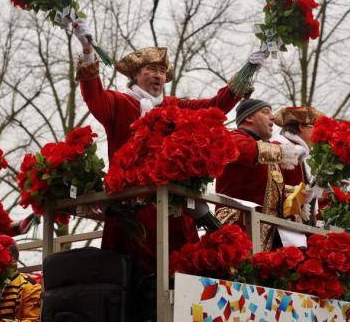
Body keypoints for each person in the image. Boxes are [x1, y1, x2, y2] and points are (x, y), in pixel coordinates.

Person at [72, 20, 267, 272]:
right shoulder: (119, 103)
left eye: (162, 71)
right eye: (151, 69)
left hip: (173, 208)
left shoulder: (176, 106)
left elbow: (216, 105)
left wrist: (249, 68)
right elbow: (93, 95)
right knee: (130, 275)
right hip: (130, 205)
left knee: (180, 273)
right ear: (134, 74)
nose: (158, 75)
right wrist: (88, 51)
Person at [214, 99, 304, 250]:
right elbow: (241, 149)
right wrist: (281, 150)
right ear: (249, 117)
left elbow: (269, 194)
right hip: (236, 235)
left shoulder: (266, 153)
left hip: (264, 238)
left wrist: (300, 196)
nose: (273, 117)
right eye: (265, 112)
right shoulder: (233, 137)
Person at [272, 106, 325, 222]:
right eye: (315, 129)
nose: (319, 136)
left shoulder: (303, 155)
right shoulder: (278, 149)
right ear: (301, 127)